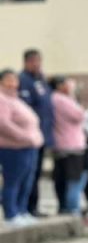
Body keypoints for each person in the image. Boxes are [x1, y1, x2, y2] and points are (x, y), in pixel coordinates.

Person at [0, 68, 44, 227]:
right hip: (13, 147)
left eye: (15, 80)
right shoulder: (2, 99)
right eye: (9, 80)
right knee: (13, 181)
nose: (13, 83)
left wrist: (35, 137)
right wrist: (24, 136)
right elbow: (3, 123)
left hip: (29, 146)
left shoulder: (16, 99)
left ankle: (22, 210)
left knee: (27, 181)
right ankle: (11, 214)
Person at [18, 49, 54, 217]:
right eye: (33, 61)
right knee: (27, 173)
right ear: (26, 62)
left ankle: (33, 206)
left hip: (42, 135)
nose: (37, 64)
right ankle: (25, 207)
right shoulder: (23, 80)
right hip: (29, 136)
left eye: (39, 61)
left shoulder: (41, 80)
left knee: (36, 173)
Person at [50, 77, 88, 217]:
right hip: (72, 145)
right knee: (75, 179)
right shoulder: (61, 99)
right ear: (60, 86)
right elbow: (79, 115)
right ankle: (72, 208)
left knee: (63, 179)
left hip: (62, 144)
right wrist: (72, 95)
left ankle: (65, 207)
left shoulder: (53, 99)